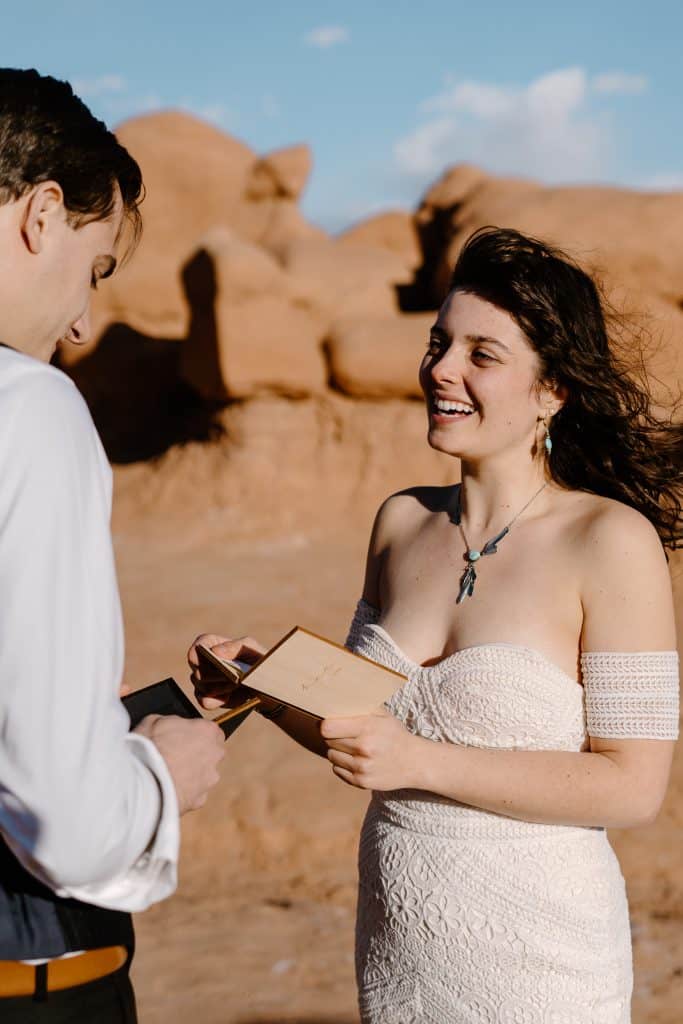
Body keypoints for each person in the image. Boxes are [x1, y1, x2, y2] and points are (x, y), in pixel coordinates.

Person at [190, 226, 681, 1022]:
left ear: (551, 388)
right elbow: (362, 733)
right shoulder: (399, 523)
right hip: (398, 944)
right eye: (438, 343)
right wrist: (266, 690)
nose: (440, 371)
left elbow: (633, 787)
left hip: (541, 959)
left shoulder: (607, 541)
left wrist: (418, 758)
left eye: (481, 354)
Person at [0, 68, 224, 1022]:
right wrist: (161, 770)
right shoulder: (28, 409)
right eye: (94, 268)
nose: (86, 323)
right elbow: (64, 821)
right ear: (41, 214)